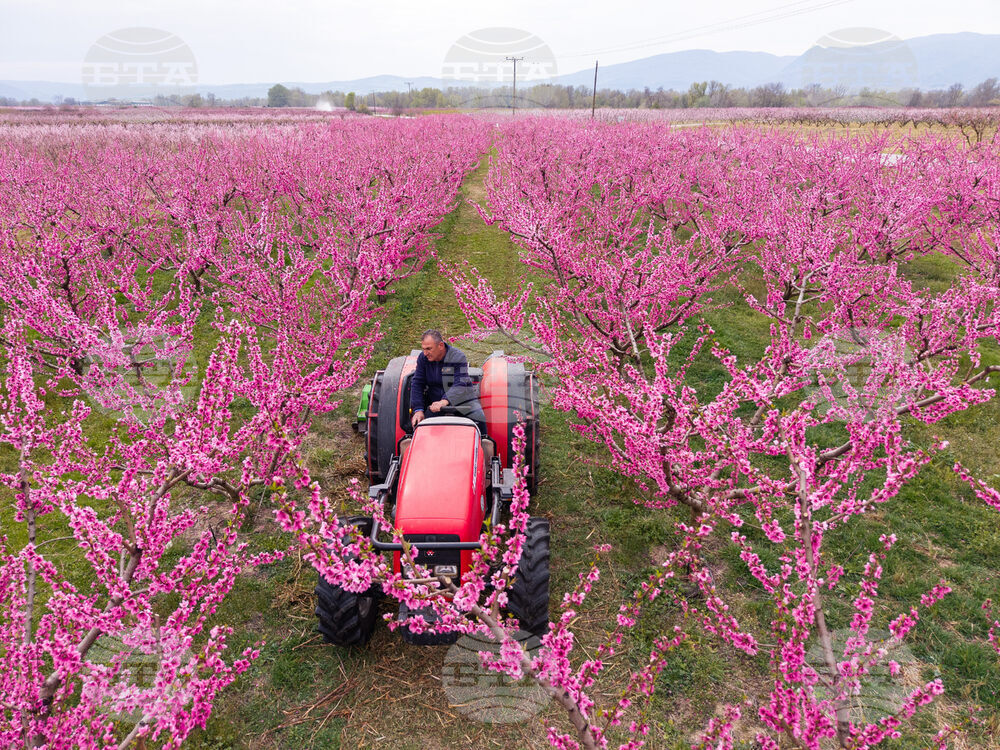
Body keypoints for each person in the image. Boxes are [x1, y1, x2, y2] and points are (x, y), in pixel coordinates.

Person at [410, 330, 486, 434]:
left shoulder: (458, 357)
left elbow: (460, 384)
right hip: (435, 403)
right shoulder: (423, 358)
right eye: (423, 349)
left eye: (429, 349)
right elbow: (417, 383)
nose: (425, 353)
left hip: (463, 401)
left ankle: (484, 441)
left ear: (441, 345)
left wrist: (444, 401)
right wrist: (418, 409)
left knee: (479, 417)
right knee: (419, 424)